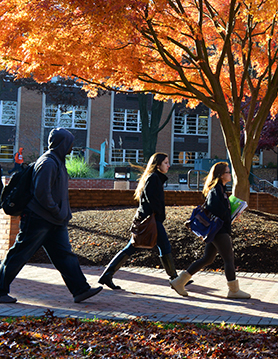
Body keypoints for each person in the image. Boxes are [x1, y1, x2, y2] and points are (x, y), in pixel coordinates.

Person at [0, 128, 102, 303]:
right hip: (38, 219)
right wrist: (56, 210)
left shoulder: (58, 161)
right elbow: (42, 193)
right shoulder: (47, 162)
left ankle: (80, 289)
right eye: (69, 143)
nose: (71, 147)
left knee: (64, 255)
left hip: (54, 220)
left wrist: (60, 214)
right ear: (62, 144)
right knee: (19, 254)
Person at [98, 152, 180, 290]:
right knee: (164, 247)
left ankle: (107, 275)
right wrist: (159, 214)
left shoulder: (154, 177)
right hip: (151, 220)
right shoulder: (153, 178)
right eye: (166, 162)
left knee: (133, 247)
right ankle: (175, 279)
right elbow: (151, 200)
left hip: (149, 220)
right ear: (158, 164)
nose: (169, 165)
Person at [170, 162, 250, 299]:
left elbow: (221, 211)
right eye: (227, 172)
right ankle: (234, 291)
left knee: (208, 258)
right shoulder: (215, 190)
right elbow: (215, 210)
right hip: (219, 230)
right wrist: (228, 212)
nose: (230, 174)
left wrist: (233, 213)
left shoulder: (221, 190)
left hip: (217, 230)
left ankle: (179, 282)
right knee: (229, 258)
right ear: (220, 175)